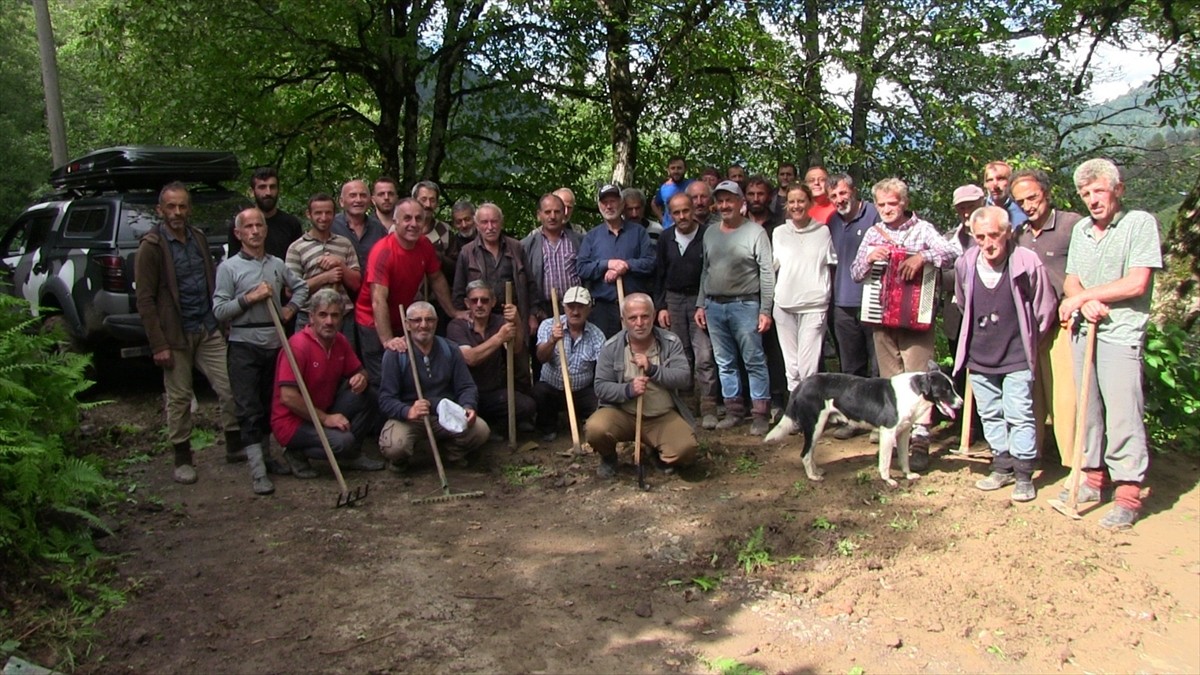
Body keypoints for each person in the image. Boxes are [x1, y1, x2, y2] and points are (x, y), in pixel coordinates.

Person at [1058, 158, 1162, 530]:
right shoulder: (1084, 229)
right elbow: (1072, 280)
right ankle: (1093, 480)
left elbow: (1137, 282)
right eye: (1085, 194)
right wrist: (1084, 300)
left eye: (1098, 191)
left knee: (1123, 412)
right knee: (1089, 411)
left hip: (1120, 333)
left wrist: (1089, 297)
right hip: (1085, 330)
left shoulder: (1139, 224)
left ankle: (1128, 494)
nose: (1092, 200)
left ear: (1118, 189)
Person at [135, 182, 241, 484]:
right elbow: (145, 299)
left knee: (229, 386)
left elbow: (211, 281)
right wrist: (158, 343)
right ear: (160, 209)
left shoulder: (198, 238)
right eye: (171, 206)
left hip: (207, 327)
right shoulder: (152, 246)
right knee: (179, 398)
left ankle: (234, 445)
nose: (177, 212)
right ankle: (182, 457)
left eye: (182, 206)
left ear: (189, 209)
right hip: (175, 334)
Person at [850, 178, 959, 467]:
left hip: (916, 318)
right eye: (881, 204)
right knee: (893, 381)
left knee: (920, 377)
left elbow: (951, 254)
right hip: (881, 317)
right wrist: (869, 258)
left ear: (905, 203)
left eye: (892, 203)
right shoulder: (873, 234)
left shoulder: (923, 230)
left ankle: (921, 439)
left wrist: (922, 256)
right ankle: (898, 438)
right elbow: (855, 273)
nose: (887, 209)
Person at [953, 206, 1057, 502]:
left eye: (994, 235)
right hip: (980, 352)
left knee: (1019, 412)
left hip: (1016, 352)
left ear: (1008, 232)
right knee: (990, 413)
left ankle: (1024, 474)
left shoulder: (1026, 262)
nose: (988, 243)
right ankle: (1002, 465)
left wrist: (1030, 339)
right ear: (973, 236)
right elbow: (963, 302)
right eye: (981, 236)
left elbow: (1043, 306)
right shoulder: (966, 263)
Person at [213, 207, 310, 495]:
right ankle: (257, 470)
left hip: (275, 340)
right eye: (249, 227)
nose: (255, 231)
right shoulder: (228, 268)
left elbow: (301, 287)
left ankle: (269, 458)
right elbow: (219, 310)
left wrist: (290, 308)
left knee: (272, 402)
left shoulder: (277, 264)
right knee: (248, 406)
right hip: (244, 344)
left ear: (265, 231)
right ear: (238, 233)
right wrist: (249, 297)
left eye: (259, 226)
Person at [271, 288, 384, 479]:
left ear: (342, 318)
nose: (329, 321)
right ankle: (296, 452)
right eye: (323, 315)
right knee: (343, 441)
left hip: (323, 408)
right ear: (312, 317)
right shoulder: (298, 346)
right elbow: (288, 397)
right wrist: (325, 419)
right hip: (292, 422)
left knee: (369, 394)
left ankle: (350, 455)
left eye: (335, 315)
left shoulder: (339, 341)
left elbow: (360, 371)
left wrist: (361, 378)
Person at [1011, 169, 1082, 464]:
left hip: (1064, 323)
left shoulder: (1072, 225)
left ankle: (1075, 464)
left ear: (1047, 194)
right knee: (1032, 396)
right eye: (1021, 201)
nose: (1028, 205)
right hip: (1029, 324)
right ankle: (1032, 456)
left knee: (1066, 398)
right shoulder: (1020, 234)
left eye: (1033, 197)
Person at [355, 198, 462, 392]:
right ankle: (389, 421)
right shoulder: (383, 252)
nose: (413, 224)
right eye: (407, 219)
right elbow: (378, 300)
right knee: (384, 377)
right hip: (373, 321)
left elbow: (436, 278)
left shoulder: (424, 245)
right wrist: (387, 340)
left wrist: (453, 312)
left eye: (418, 219)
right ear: (395, 222)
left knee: (408, 375)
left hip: (403, 320)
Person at [694, 180, 776, 435]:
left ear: (742, 203)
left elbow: (767, 273)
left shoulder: (755, 233)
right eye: (720, 200)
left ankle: (760, 414)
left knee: (753, 360)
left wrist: (765, 310)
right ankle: (733, 411)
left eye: (730, 200)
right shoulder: (709, 232)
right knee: (724, 362)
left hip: (746, 305)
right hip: (714, 306)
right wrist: (700, 304)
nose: (725, 205)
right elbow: (705, 271)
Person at [587, 294, 699, 477]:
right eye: (633, 318)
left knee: (686, 451)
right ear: (623, 320)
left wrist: (653, 369)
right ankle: (608, 457)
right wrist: (628, 390)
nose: (640, 323)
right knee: (595, 429)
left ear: (654, 316)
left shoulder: (670, 342)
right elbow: (600, 387)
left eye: (645, 316)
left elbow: (683, 377)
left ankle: (657, 451)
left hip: (661, 415)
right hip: (623, 415)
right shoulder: (611, 347)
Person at [377, 302, 490, 470]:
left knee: (480, 430)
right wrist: (408, 411)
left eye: (429, 320)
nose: (423, 325)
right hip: (409, 419)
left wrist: (468, 407)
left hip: (444, 415)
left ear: (436, 323)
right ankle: (400, 461)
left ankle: (451, 453)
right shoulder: (395, 354)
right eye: (417, 320)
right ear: (407, 324)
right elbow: (385, 399)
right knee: (395, 446)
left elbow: (466, 386)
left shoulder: (450, 349)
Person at [655, 193, 719, 428]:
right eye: (676, 212)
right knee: (680, 354)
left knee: (704, 354)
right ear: (670, 215)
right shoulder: (665, 238)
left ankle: (709, 405)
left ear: (693, 210)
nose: (682, 216)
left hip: (700, 299)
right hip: (673, 299)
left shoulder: (707, 235)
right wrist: (660, 306)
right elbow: (659, 275)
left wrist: (703, 302)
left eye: (685, 211)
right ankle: (686, 404)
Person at [446, 280, 536, 436]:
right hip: (465, 395)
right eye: (474, 301)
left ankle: (495, 428)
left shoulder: (500, 321)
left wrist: (517, 322)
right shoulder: (457, 326)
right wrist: (499, 338)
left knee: (526, 405)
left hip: (493, 393)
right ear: (467, 303)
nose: (479, 305)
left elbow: (516, 349)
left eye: (485, 300)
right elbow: (470, 358)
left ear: (493, 302)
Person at [771, 183, 835, 393]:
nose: (796, 206)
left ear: (809, 202)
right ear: (786, 205)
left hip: (814, 306)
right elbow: (771, 267)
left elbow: (832, 265)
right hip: (784, 306)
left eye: (801, 200)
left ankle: (810, 413)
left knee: (808, 368)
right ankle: (795, 414)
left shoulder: (823, 232)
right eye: (792, 201)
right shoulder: (779, 233)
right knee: (792, 368)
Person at [576, 184, 656, 337]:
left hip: (635, 309)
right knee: (606, 355)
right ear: (600, 206)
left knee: (635, 353)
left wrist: (626, 265)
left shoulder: (638, 233)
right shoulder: (592, 236)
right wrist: (608, 264)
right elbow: (582, 269)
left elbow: (650, 263)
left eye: (613, 201)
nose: (609, 206)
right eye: (605, 202)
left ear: (621, 203)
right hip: (603, 310)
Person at [825, 173, 879, 382]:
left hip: (872, 300)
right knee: (850, 368)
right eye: (833, 196)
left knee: (876, 367)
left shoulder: (874, 214)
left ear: (854, 191)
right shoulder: (832, 221)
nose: (839, 199)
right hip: (842, 304)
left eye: (842, 193)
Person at [533, 286, 605, 441]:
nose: (575, 312)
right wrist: (552, 340)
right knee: (539, 392)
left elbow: (603, 369)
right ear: (563, 307)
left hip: (580, 392)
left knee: (602, 402)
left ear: (589, 309)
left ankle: (586, 423)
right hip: (552, 389)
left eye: (581, 307)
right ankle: (548, 427)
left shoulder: (597, 335)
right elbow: (541, 357)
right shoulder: (548, 325)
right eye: (571, 307)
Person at [285, 193, 361, 331]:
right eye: (318, 213)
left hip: (342, 317)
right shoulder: (296, 247)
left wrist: (340, 265)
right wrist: (325, 277)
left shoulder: (345, 244)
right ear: (309, 214)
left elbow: (356, 284)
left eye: (328, 213)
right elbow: (291, 291)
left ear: (334, 214)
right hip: (309, 317)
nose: (324, 218)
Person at [452, 203, 536, 326]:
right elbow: (458, 291)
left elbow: (530, 285)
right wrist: (462, 318)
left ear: (501, 223)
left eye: (494, 222)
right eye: (484, 222)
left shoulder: (516, 247)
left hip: (514, 318)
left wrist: (532, 314)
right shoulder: (467, 252)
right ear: (477, 225)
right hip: (481, 322)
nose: (490, 227)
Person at [522, 193, 583, 335]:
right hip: (543, 311)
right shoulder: (527, 245)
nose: (552, 216)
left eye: (557, 212)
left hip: (575, 307)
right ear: (539, 215)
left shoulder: (579, 241)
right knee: (545, 353)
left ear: (564, 214)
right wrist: (533, 312)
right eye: (547, 212)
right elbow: (525, 283)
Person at [331, 179, 388, 305]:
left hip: (371, 298)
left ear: (369, 200)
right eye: (352, 195)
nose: (358, 200)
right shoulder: (331, 227)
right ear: (341, 201)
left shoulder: (379, 229)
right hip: (339, 300)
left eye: (363, 195)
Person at [228, 167, 303, 260]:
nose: (268, 192)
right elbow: (233, 263)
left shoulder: (291, 224)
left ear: (278, 190)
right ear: (252, 192)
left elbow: (299, 260)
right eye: (262, 187)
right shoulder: (240, 225)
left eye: (272, 187)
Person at [983, 161, 1029, 229]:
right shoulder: (980, 209)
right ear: (985, 184)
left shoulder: (1024, 209)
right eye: (990, 180)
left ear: (1011, 182)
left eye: (1000, 179)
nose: (995, 185)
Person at [651, 156, 692, 229]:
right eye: (673, 168)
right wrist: (662, 219)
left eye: (679, 168)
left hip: (688, 227)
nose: (676, 171)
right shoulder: (664, 188)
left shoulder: (692, 185)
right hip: (668, 229)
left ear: (685, 169)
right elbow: (654, 203)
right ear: (668, 170)